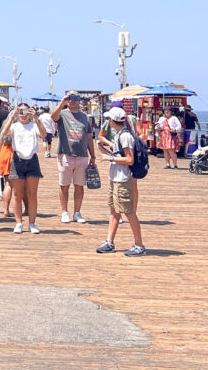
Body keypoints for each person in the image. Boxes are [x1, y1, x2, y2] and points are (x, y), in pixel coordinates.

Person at [95, 107, 146, 256]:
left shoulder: (125, 136)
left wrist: (110, 157)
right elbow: (120, 155)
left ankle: (139, 245)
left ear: (112, 120)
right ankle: (109, 241)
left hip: (123, 179)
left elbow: (130, 160)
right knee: (114, 210)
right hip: (115, 178)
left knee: (129, 212)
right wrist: (105, 150)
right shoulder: (120, 135)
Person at [51, 92, 97, 225]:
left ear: (79, 101)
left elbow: (89, 137)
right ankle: (64, 211)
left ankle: (77, 212)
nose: (72, 101)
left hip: (82, 155)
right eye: (70, 99)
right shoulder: (63, 114)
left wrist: (92, 155)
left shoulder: (84, 117)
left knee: (79, 186)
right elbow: (53, 117)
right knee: (64, 185)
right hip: (65, 154)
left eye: (75, 99)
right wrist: (62, 103)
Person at [2, 103, 47, 234]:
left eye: (25, 111)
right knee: (17, 194)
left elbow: (44, 134)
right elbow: (5, 133)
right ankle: (18, 222)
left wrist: (36, 119)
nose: (23, 114)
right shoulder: (15, 126)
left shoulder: (34, 125)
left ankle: (32, 223)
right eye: (20, 111)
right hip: (18, 160)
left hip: (32, 160)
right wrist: (12, 117)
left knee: (32, 194)